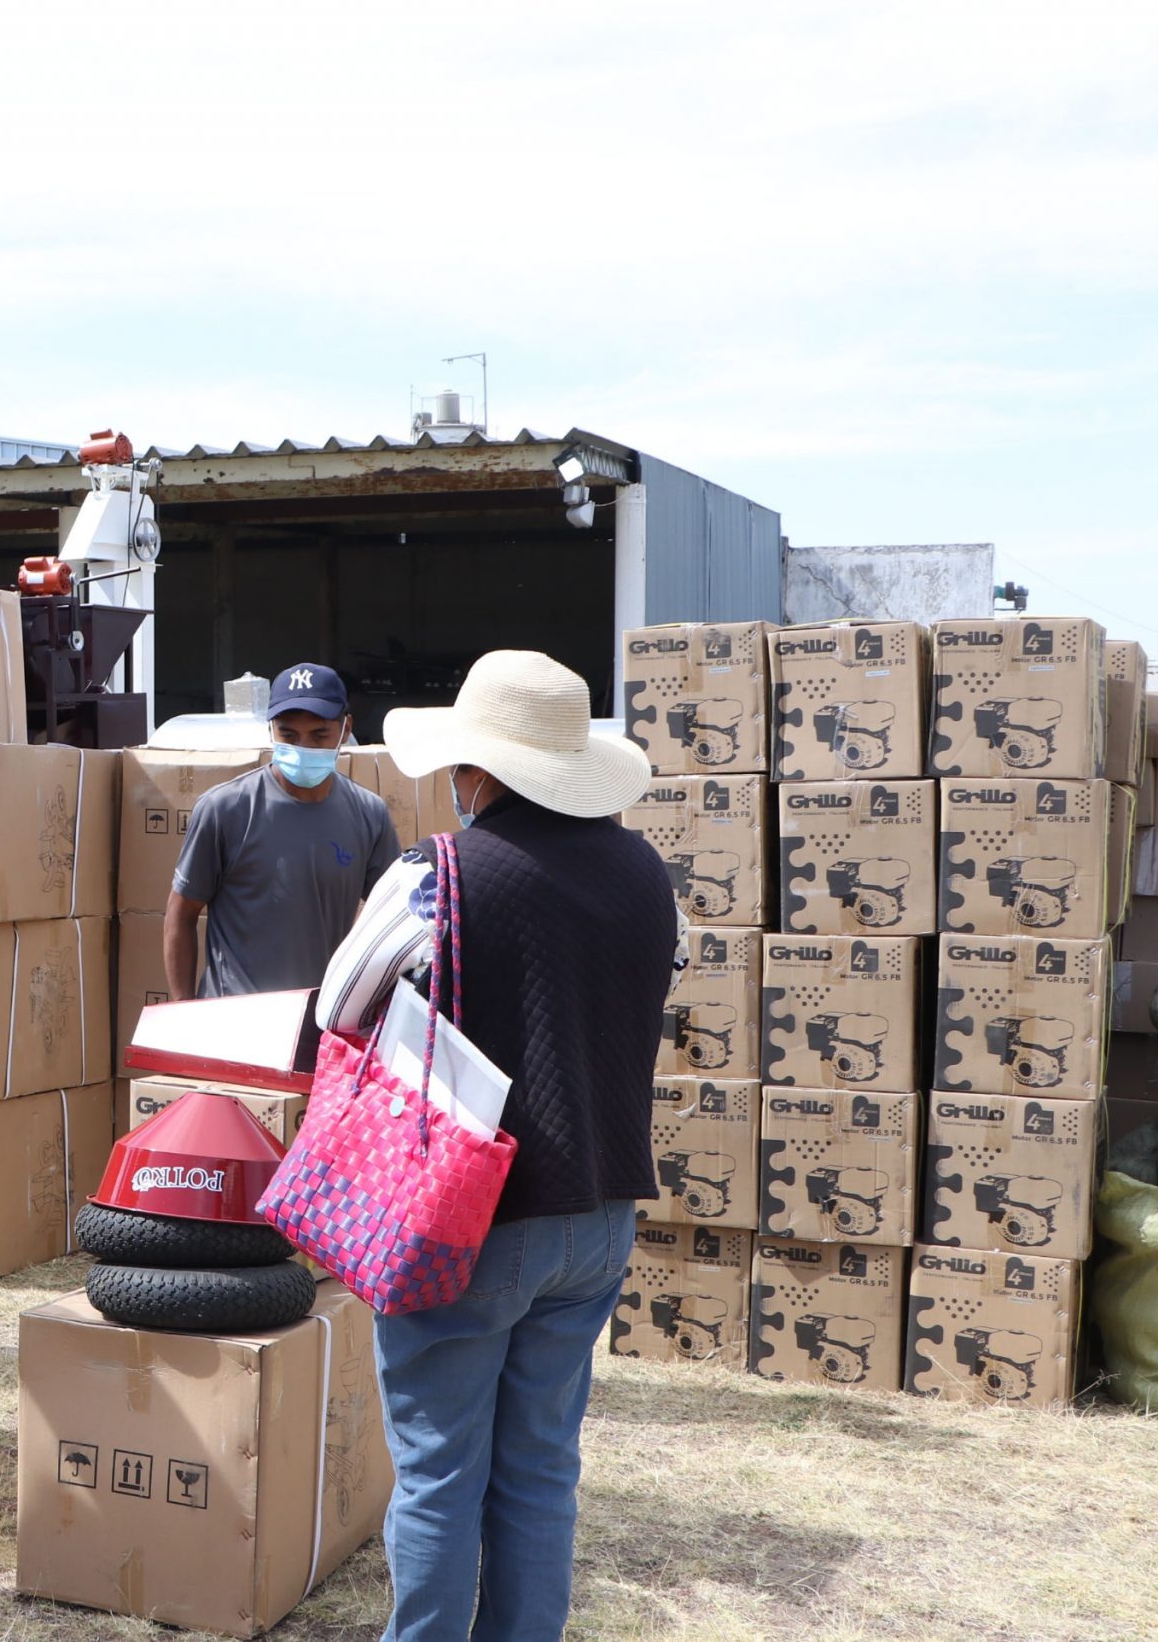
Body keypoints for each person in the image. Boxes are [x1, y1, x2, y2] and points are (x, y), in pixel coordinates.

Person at [314, 649, 675, 1642]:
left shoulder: (438, 874)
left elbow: (337, 1006)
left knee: (438, 1471)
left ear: (479, 774)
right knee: (540, 1467)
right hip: (600, 1212)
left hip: (470, 1214)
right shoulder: (649, 875)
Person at [164, 661, 397, 999]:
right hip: (232, 1025)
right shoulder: (224, 809)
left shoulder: (368, 813)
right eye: (288, 735)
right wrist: (181, 1011)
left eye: (319, 735)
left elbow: (390, 919)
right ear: (270, 729)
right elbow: (180, 915)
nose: (303, 747)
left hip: (319, 1022)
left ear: (346, 730)